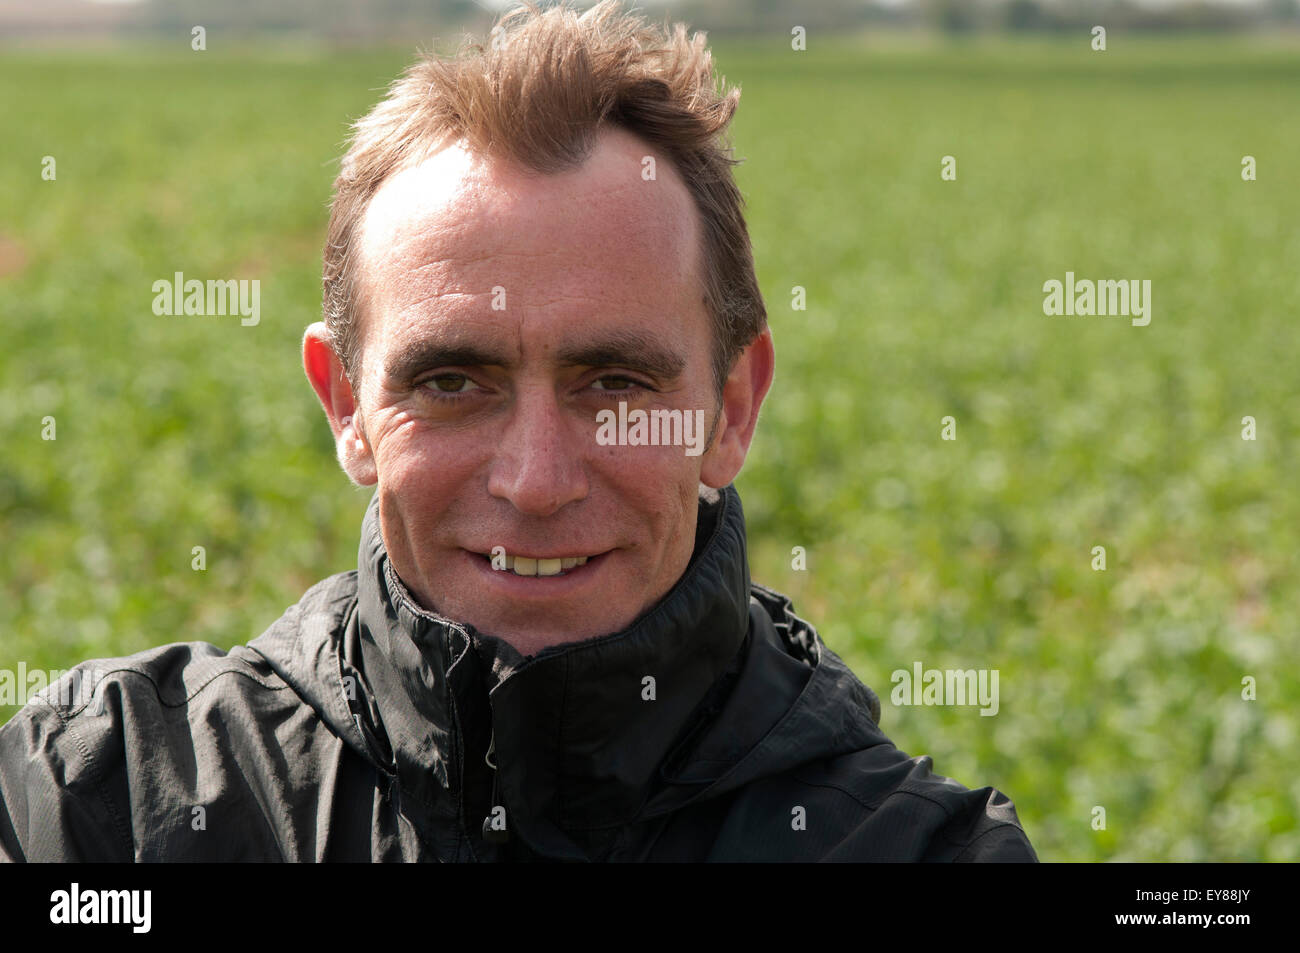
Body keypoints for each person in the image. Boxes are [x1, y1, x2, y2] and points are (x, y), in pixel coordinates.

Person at [0, 0, 1036, 862]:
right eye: (453, 381)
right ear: (346, 405)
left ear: (731, 408)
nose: (535, 481)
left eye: (616, 382)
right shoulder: (102, 802)